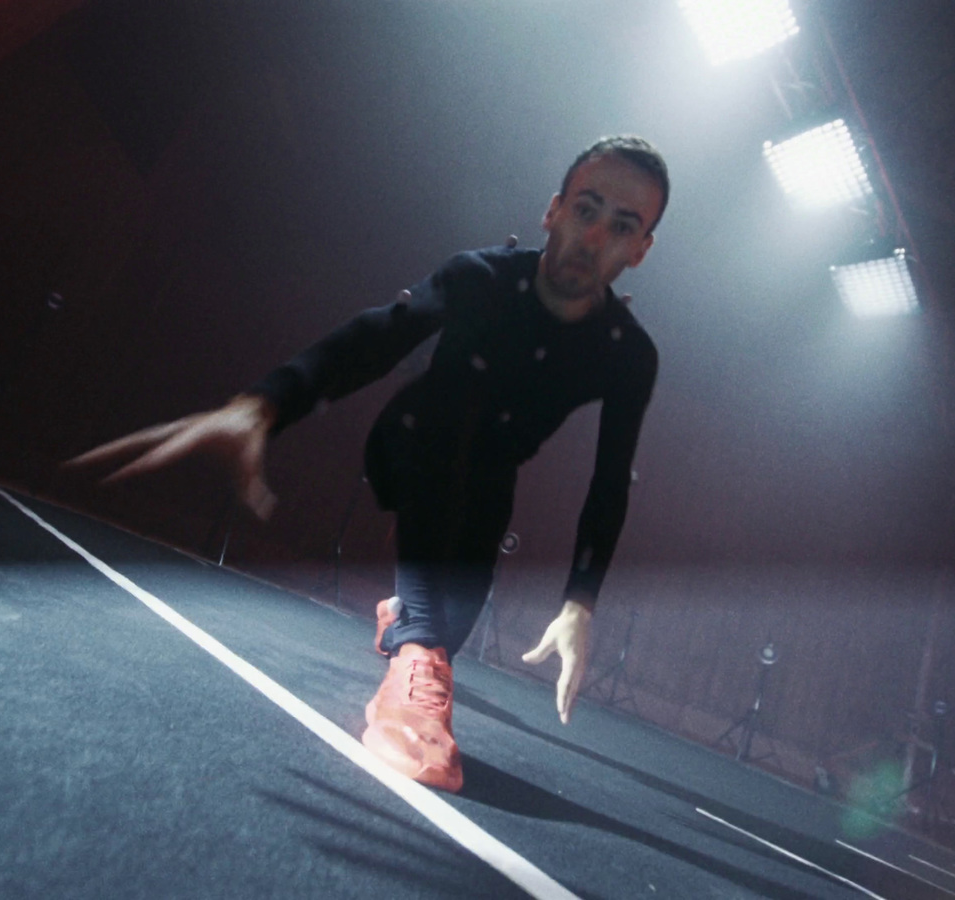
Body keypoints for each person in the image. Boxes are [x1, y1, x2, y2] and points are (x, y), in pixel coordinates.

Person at [69, 135, 667, 792]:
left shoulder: (627, 354)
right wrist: (264, 405)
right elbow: (380, 335)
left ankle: (415, 632)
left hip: (489, 481)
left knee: (452, 617)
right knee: (449, 448)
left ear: (640, 250)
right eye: (585, 210)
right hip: (412, 439)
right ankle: (415, 646)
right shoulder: (481, 278)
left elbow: (612, 478)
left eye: (621, 227)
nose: (593, 238)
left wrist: (580, 602)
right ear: (552, 211)